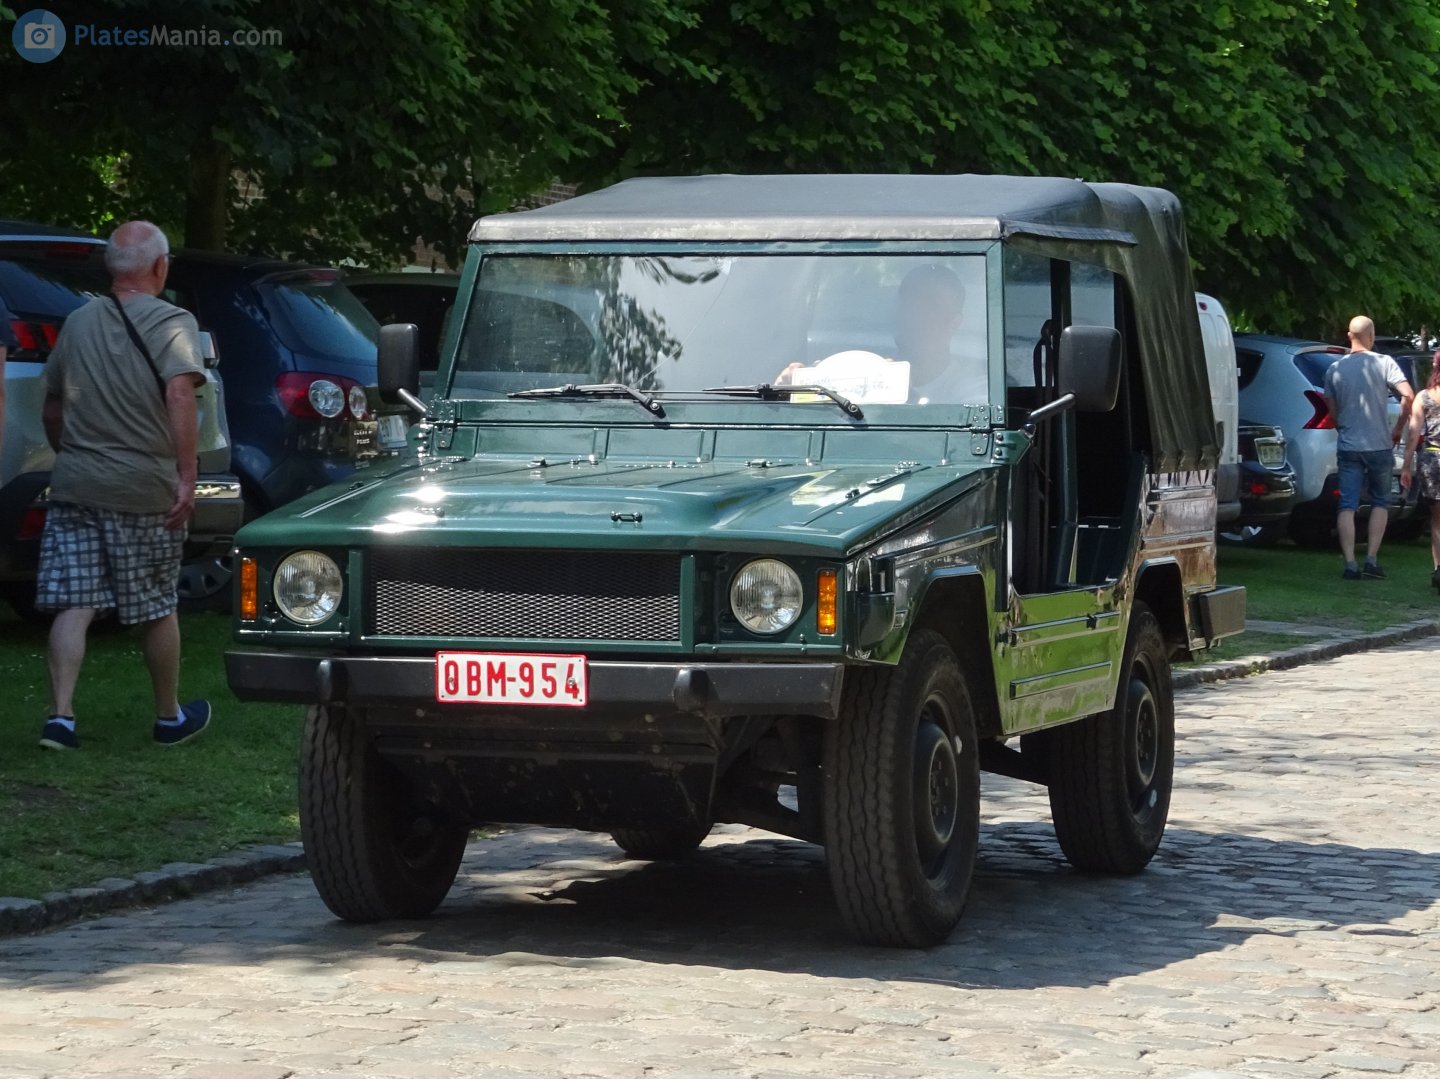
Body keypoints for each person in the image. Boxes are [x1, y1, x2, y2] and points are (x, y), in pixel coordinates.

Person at [35, 220, 211, 750]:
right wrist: (187, 475)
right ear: (160, 267)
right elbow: (181, 396)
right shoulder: (174, 322)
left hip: (77, 484)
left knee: (75, 601)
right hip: (143, 488)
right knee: (157, 604)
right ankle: (168, 717)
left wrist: (71, 455)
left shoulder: (77, 321)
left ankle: (61, 718)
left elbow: (52, 405)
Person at [777, 263, 986, 404]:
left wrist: (905, 396)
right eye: (909, 301)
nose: (915, 313)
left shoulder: (971, 391)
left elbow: (968, 446)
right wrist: (787, 393)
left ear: (954, 323)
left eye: (931, 306)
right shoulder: (863, 372)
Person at [1324, 315, 1413, 580]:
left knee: (1347, 505)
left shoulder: (1334, 369)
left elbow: (1331, 409)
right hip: (1379, 444)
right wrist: (1398, 429)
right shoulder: (1384, 362)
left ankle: (1350, 563)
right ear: (1372, 335)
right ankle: (1372, 559)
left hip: (1349, 444)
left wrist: (1343, 425)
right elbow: (1408, 395)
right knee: (1380, 502)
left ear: (1349, 336)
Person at [1399, 351, 1440, 592]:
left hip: (1432, 458)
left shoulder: (1424, 397)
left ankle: (1439, 568)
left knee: (1437, 520)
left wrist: (1406, 465)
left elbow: (1413, 433)